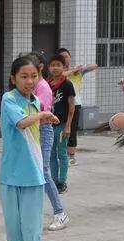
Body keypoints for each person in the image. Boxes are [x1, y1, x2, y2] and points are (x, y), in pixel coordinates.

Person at [0, 55, 59, 241]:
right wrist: (44, 116)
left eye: (34, 76)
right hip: (10, 175)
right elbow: (21, 123)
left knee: (31, 229)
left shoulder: (36, 103)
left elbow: (33, 124)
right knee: (13, 228)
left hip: (33, 177)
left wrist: (44, 115)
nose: (30, 81)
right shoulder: (9, 99)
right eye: (24, 76)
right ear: (13, 78)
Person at [28, 52, 70, 231]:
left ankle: (60, 212)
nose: (28, 77)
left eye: (31, 71)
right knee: (34, 173)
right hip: (32, 131)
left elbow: (41, 114)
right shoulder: (32, 86)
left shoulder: (43, 87)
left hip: (43, 130)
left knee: (44, 172)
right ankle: (31, 214)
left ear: (40, 68)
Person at [57, 48, 98, 166]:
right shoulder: (58, 71)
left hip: (75, 104)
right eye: (62, 57)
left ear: (70, 57)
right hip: (59, 105)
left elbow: (94, 65)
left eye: (66, 56)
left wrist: (82, 68)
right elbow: (62, 75)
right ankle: (61, 154)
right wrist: (73, 70)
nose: (65, 59)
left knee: (71, 130)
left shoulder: (77, 72)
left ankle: (71, 156)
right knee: (59, 129)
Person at [49, 53, 75, 194]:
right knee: (51, 154)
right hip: (48, 125)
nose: (55, 68)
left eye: (58, 65)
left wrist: (68, 125)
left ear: (63, 67)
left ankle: (62, 181)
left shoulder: (67, 84)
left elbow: (71, 106)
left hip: (62, 124)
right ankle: (53, 180)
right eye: (52, 65)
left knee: (62, 153)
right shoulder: (47, 84)